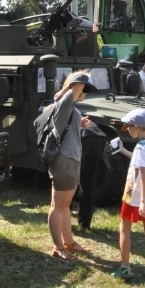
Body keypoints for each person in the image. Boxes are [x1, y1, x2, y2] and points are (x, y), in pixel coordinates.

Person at [48, 71, 97, 262]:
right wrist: (82, 77)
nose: (85, 91)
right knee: (58, 206)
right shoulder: (65, 101)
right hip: (64, 160)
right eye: (84, 88)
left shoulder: (70, 106)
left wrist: (80, 123)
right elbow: (76, 86)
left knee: (65, 205)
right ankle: (58, 247)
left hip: (72, 159)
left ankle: (68, 242)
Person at [111, 108, 145, 281]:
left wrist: (142, 202)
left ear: (137, 127)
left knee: (124, 228)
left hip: (134, 196)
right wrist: (123, 150)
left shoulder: (140, 147)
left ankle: (125, 267)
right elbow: (141, 163)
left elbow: (144, 174)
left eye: (128, 127)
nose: (126, 129)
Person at [77, 121, 107, 230]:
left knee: (69, 181)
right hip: (98, 136)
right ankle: (85, 223)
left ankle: (62, 221)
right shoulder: (74, 111)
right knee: (89, 182)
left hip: (83, 137)